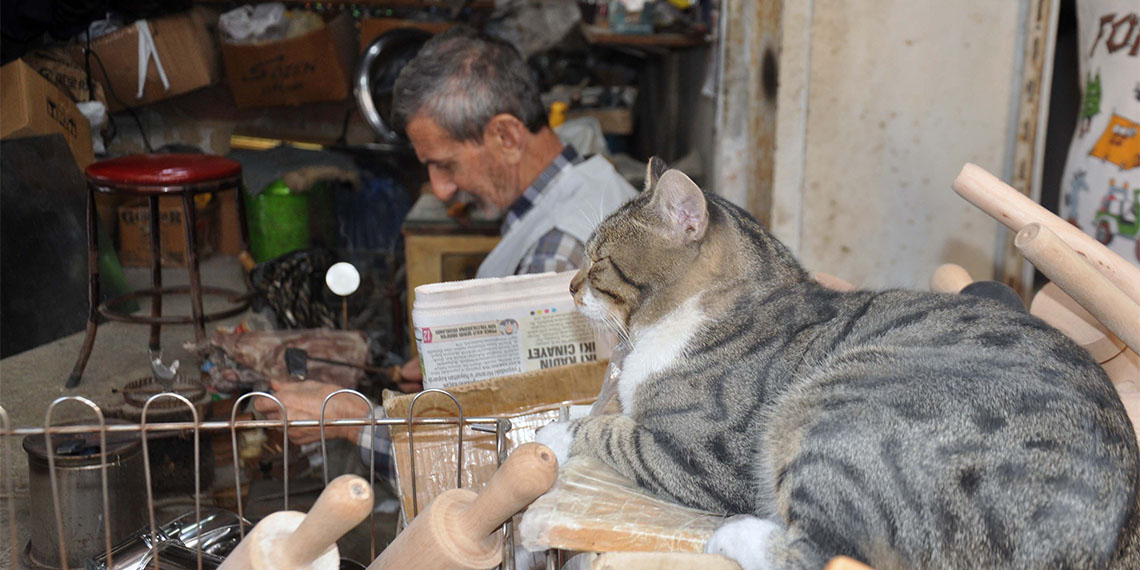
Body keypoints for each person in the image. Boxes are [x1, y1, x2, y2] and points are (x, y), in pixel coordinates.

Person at [255, 27, 638, 477]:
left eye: (445, 163)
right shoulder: (583, 186)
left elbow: (508, 455)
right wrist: (458, 370)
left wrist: (350, 421)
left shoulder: (558, 253)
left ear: (507, 137)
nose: (440, 188)